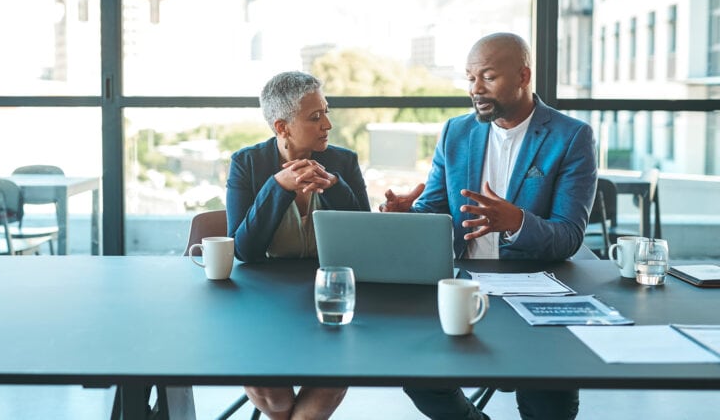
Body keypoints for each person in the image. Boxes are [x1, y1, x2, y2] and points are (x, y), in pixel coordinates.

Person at [382, 32, 597, 420]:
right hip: (465, 285)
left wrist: (516, 221)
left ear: (523, 76)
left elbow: (568, 235)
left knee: (549, 405)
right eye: (469, 77)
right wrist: (405, 218)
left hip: (536, 289)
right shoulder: (455, 133)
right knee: (420, 378)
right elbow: (434, 211)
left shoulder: (570, 136)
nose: (475, 88)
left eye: (488, 76)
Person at [226, 70, 370, 420]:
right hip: (261, 300)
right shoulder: (247, 164)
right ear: (281, 127)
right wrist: (277, 187)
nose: (328, 125)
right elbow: (244, 250)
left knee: (327, 386)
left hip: (328, 297)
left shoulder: (344, 162)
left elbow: (365, 237)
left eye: (327, 111)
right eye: (315, 117)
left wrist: (335, 185)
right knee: (271, 395)